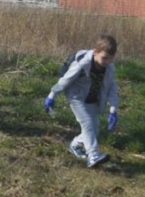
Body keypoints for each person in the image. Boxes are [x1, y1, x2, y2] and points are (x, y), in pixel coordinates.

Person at [44, 34, 119, 168]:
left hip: (92, 99)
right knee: (87, 122)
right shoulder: (83, 62)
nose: (107, 61)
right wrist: (52, 94)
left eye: (111, 59)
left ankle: (75, 145)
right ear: (95, 52)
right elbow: (66, 79)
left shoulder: (109, 68)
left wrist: (113, 110)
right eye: (104, 58)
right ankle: (93, 155)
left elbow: (112, 89)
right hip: (76, 96)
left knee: (93, 130)